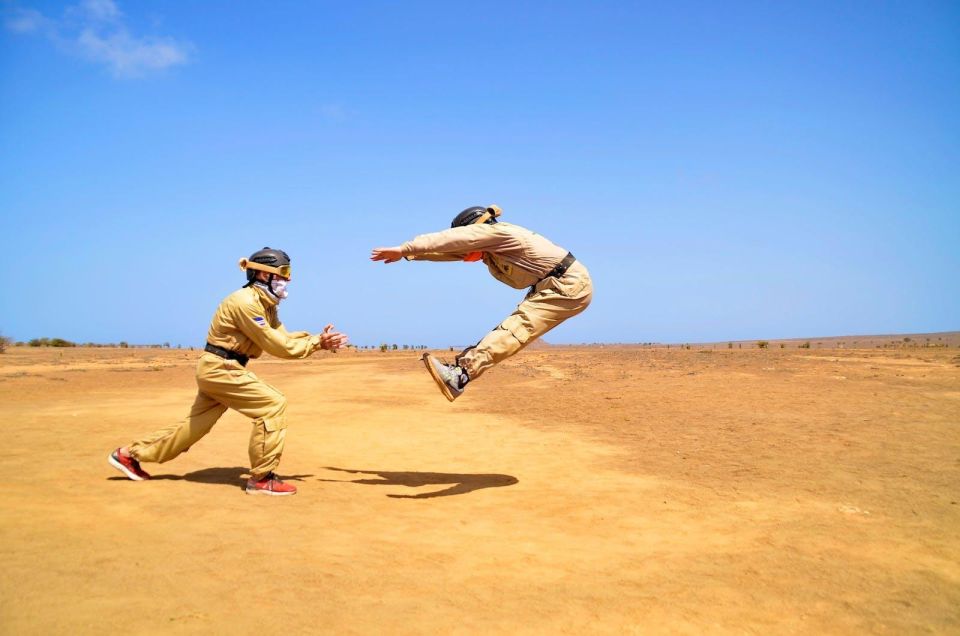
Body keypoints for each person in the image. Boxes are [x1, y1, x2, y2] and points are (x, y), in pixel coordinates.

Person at [108, 247, 348, 496]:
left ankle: (128, 454)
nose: (288, 279)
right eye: (284, 273)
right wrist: (318, 344)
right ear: (263, 275)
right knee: (273, 405)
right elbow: (278, 346)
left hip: (219, 368)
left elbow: (283, 336)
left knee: (193, 428)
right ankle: (262, 479)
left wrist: (317, 338)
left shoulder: (265, 304)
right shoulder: (245, 303)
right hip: (222, 367)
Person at [370, 205, 592, 401]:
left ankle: (460, 375)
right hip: (553, 285)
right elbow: (450, 251)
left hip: (567, 285)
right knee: (512, 328)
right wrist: (411, 255)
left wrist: (407, 247)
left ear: (476, 230)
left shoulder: (502, 234)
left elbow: (453, 241)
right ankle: (461, 373)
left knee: (517, 328)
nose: (466, 255)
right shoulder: (492, 251)